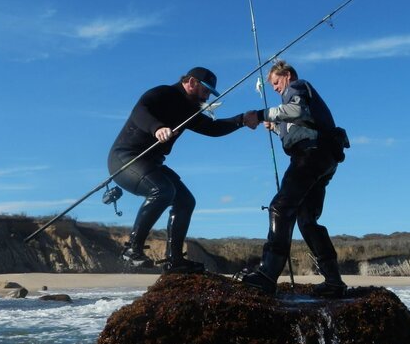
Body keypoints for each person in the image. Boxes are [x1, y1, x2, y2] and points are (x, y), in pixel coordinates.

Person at [108, 67, 253, 273]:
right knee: (162, 190)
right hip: (125, 158)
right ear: (192, 82)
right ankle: (132, 248)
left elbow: (212, 128)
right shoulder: (163, 93)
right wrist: (157, 128)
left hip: (151, 163)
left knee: (185, 200)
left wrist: (240, 120)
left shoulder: (190, 110)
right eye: (206, 90)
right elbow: (139, 111)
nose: (207, 96)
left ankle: (174, 260)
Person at [239, 60, 349, 297]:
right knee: (307, 220)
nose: (276, 89)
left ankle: (267, 275)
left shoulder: (297, 86)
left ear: (287, 75)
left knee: (280, 207)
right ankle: (334, 282)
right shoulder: (295, 99)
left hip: (310, 155)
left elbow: (296, 110)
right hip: (325, 158)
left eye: (276, 83)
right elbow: (299, 122)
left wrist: (259, 115)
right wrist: (276, 127)